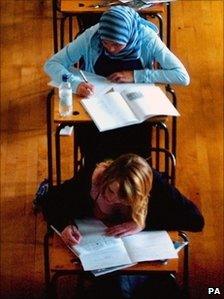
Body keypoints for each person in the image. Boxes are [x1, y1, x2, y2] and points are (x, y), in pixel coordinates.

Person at [44, 6, 190, 174]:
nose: (110, 48)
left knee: (133, 162)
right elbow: (52, 64)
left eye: (116, 44)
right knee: (96, 160)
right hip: (99, 106)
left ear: (128, 38)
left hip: (135, 110)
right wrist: (76, 83)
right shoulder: (92, 35)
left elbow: (181, 76)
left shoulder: (146, 38)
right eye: (105, 43)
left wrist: (136, 76)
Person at [43, 153, 204, 299]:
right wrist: (64, 225)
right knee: (116, 289)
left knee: (166, 289)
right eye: (111, 191)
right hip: (103, 257)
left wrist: (142, 224)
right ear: (107, 177)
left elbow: (195, 220)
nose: (113, 199)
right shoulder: (92, 178)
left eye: (124, 198)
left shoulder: (153, 182)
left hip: (142, 258)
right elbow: (50, 201)